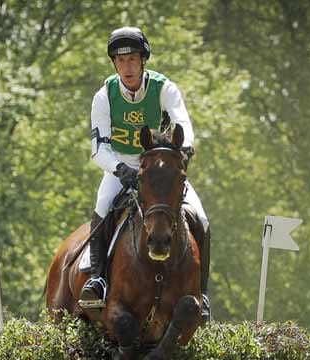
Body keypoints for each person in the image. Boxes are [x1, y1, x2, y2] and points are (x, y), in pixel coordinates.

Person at [79, 26, 212, 321]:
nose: (127, 67)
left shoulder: (164, 88)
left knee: (201, 218)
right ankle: (98, 280)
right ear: (114, 63)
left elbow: (183, 124)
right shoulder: (104, 96)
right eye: (120, 60)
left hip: (159, 164)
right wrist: (120, 169)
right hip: (120, 164)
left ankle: (201, 295)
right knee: (103, 206)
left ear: (143, 61)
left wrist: (184, 150)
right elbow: (98, 148)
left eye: (132, 59)